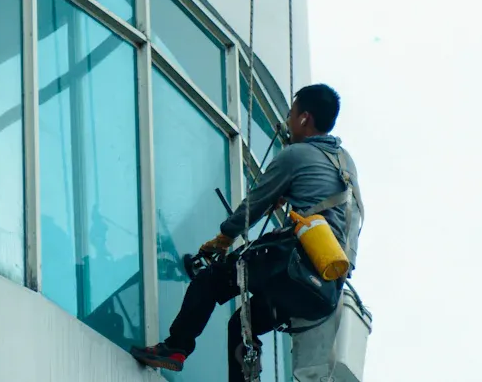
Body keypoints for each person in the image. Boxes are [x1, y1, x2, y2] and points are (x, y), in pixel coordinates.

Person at [131, 83, 363, 382]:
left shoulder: (296, 155)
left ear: (304, 118)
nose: (288, 121)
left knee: (210, 280)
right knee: (243, 324)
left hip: (293, 267)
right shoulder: (345, 163)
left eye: (292, 114)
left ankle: (176, 348)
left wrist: (224, 237)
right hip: (324, 287)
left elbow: (255, 203)